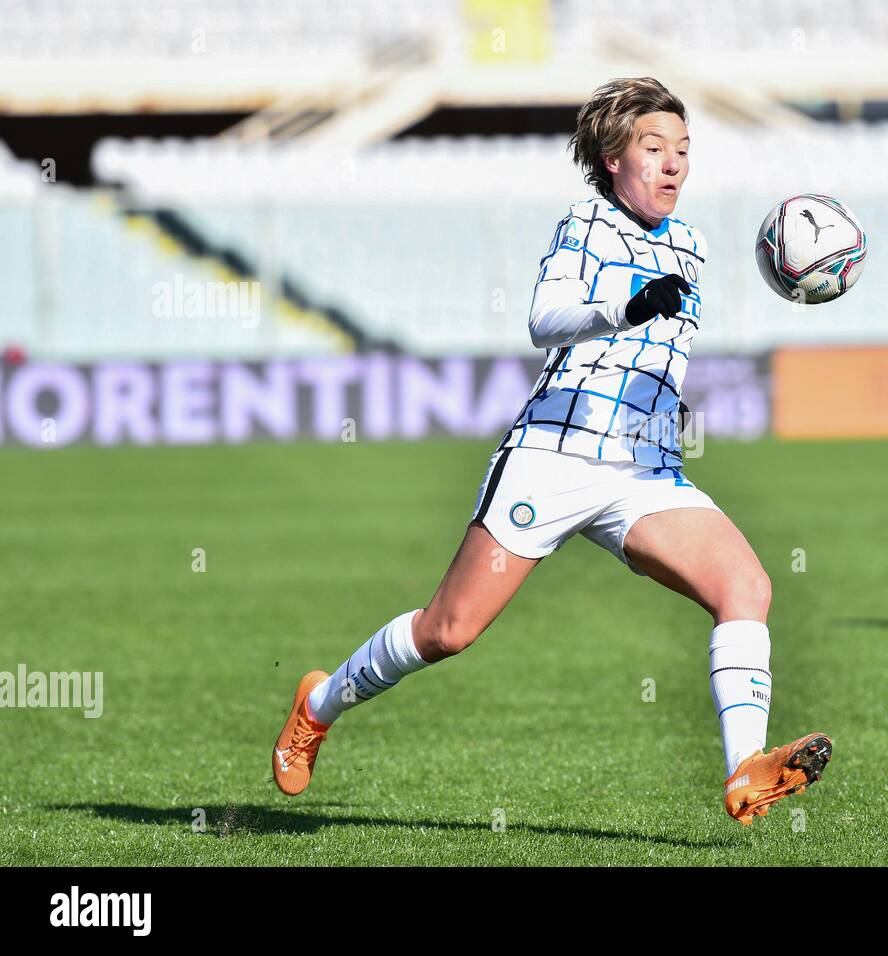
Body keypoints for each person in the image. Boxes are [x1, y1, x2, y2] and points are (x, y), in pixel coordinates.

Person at [271, 77, 832, 824]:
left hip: (644, 471)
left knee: (747, 589)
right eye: (654, 148)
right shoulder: (586, 225)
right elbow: (544, 319)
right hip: (554, 457)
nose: (673, 165)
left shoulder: (691, 245)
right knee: (449, 630)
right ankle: (318, 702)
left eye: (684, 151)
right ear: (611, 159)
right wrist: (626, 305)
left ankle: (745, 770)